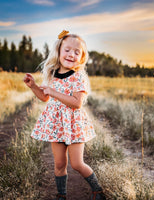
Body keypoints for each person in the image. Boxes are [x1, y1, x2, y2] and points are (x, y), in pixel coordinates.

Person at [23, 30, 106, 200]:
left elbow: (77, 103)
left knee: (76, 164)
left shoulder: (78, 77)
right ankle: (61, 195)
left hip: (74, 125)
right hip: (56, 125)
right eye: (67, 50)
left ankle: (97, 190)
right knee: (60, 164)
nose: (71, 54)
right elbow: (45, 97)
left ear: (81, 58)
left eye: (77, 52)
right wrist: (34, 87)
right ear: (59, 51)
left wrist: (53, 92)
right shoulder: (52, 74)